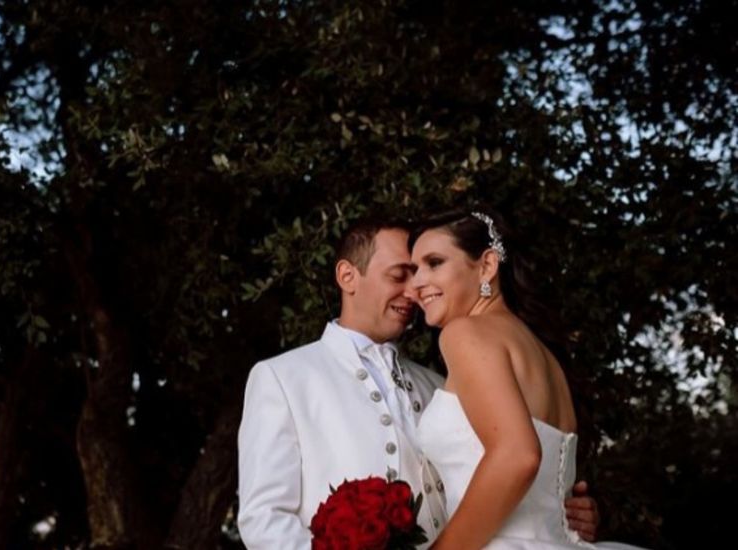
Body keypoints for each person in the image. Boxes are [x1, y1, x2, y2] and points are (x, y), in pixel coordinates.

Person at [237, 218, 600, 549]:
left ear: (487, 265)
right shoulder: (282, 378)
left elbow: (507, 465)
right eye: (400, 275)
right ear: (347, 276)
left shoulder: (442, 381)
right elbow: (264, 520)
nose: (413, 290)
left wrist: (558, 507)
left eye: (428, 267)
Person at [407, 207, 646, 549]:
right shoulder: (542, 353)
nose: (416, 283)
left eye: (434, 263)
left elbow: (518, 455)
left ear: (487, 266)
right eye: (414, 269)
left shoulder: (464, 333)